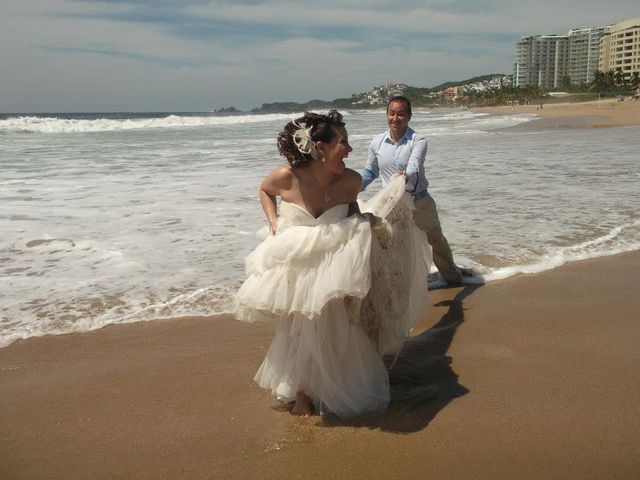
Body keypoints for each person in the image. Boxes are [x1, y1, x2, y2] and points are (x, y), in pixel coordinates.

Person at [235, 111, 429, 419]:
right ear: (320, 148)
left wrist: (365, 222)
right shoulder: (285, 176)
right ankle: (301, 392)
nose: (350, 149)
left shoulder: (350, 180)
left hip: (334, 256)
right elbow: (264, 191)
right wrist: (273, 222)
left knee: (336, 321)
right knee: (298, 324)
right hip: (297, 256)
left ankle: (331, 384)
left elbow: (351, 208)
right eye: (343, 142)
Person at [361, 96, 468, 285]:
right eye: (391, 113)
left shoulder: (418, 140)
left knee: (436, 242)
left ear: (409, 116)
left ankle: (453, 278)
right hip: (391, 204)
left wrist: (405, 177)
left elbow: (414, 166)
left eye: (401, 114)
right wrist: (352, 186)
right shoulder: (377, 142)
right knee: (391, 244)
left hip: (419, 202)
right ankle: (397, 286)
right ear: (386, 115)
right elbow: (371, 172)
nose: (395, 118)